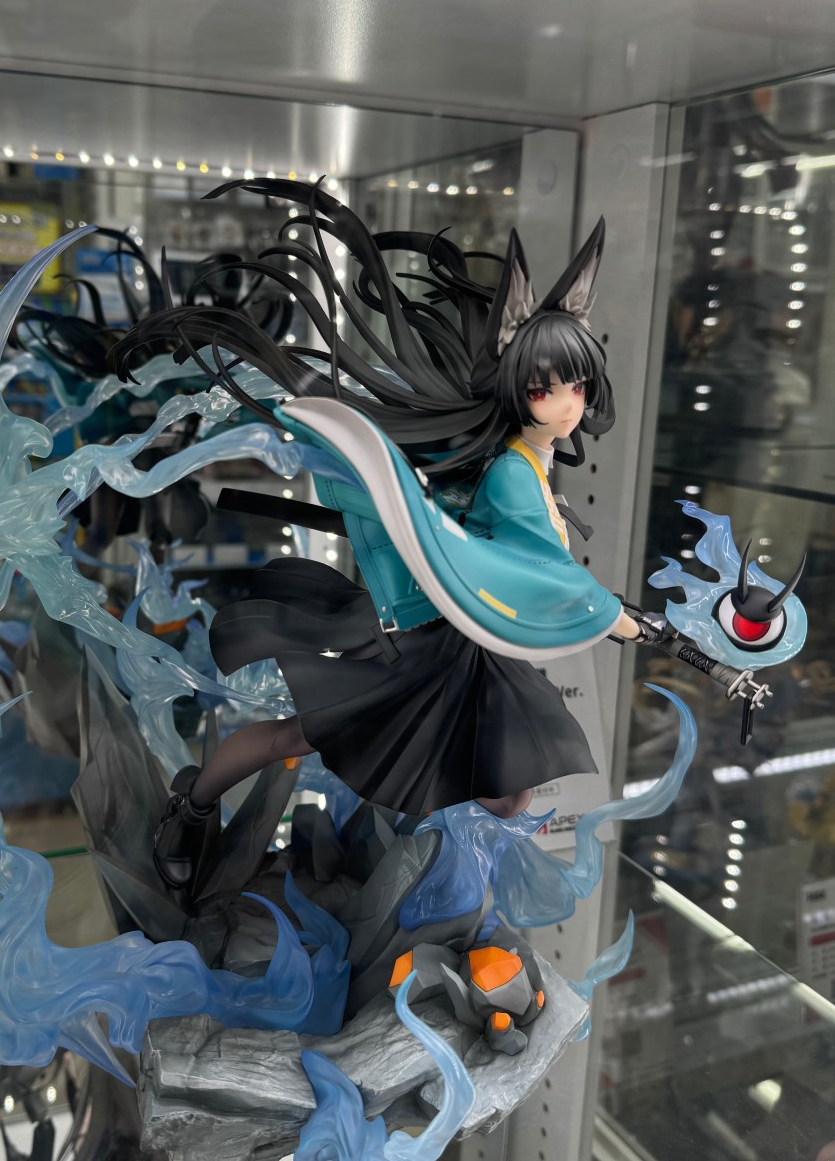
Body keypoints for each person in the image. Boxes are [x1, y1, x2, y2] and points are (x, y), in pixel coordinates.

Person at [114, 180, 649, 893]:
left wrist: (603, 610)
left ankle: (423, 870)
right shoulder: (513, 474)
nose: (567, 405)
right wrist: (611, 615)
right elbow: (531, 570)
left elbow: (531, 563)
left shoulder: (522, 459)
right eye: (545, 389)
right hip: (428, 639)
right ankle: (194, 803)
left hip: (474, 645)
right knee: (304, 736)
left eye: (576, 386)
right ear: (516, 388)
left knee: (508, 784)